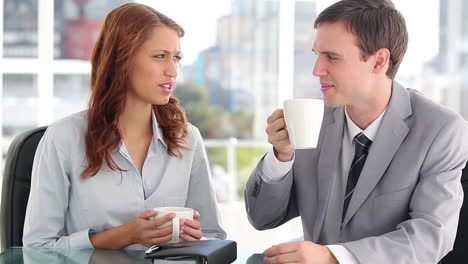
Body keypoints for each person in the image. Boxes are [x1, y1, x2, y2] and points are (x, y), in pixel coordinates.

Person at [244, 0, 468, 263]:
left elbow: (430, 238)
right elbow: (262, 218)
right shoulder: (312, 119)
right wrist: (281, 157)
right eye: (317, 54)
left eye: (332, 57)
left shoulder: (440, 129)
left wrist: (333, 257)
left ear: (379, 61)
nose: (317, 70)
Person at [23, 3, 226, 249]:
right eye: (160, 56)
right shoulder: (64, 138)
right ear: (121, 59)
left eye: (177, 58)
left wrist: (195, 238)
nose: (173, 71)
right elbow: (37, 249)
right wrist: (127, 235)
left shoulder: (187, 138)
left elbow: (214, 237)